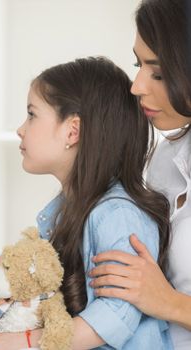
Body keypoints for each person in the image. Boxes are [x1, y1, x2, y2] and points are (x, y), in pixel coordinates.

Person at [0, 57, 172, 349]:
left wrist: (26, 343)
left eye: (31, 115)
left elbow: (117, 313)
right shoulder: (62, 213)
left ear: (72, 131)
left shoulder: (118, 216)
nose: (20, 129)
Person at [89, 1, 191, 349]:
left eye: (158, 73)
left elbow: (159, 294)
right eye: (138, 65)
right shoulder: (166, 157)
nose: (136, 87)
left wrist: (170, 303)